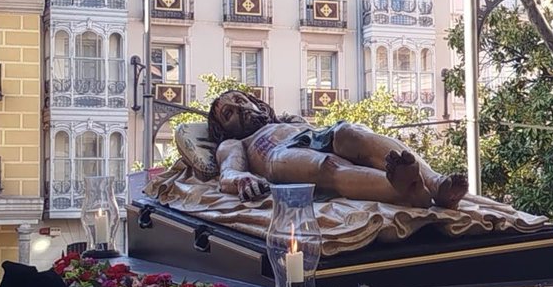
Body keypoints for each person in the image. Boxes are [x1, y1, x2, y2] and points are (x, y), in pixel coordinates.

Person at [185, 89, 467, 209]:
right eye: (229, 113)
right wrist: (242, 180)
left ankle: (435, 183)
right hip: (277, 155)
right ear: (224, 129)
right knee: (325, 166)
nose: (240, 109)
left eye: (240, 100)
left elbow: (325, 134)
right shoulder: (234, 143)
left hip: (313, 136)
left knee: (348, 133)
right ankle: (403, 190)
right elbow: (229, 173)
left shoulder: (288, 120)